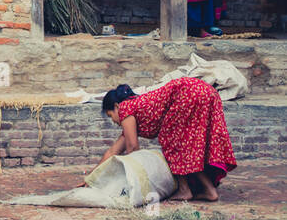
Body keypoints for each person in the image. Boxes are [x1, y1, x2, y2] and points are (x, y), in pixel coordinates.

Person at [101, 77, 236, 202]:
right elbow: (113, 151)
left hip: (188, 92)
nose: (113, 121)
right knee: (188, 150)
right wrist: (91, 178)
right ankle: (209, 190)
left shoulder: (126, 108)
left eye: (110, 115)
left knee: (173, 144)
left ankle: (184, 190)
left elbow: (132, 148)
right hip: (204, 90)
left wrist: (138, 180)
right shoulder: (135, 109)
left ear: (117, 106)